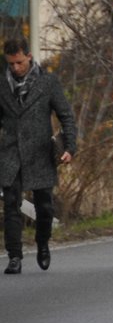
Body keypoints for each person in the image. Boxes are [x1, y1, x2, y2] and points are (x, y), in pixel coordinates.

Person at [1, 37, 76, 274]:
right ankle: (14, 257)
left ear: (29, 57)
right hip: (11, 153)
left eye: (19, 63)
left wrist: (70, 147)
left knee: (45, 207)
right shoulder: (2, 85)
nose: (15, 68)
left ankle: (43, 243)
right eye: (11, 64)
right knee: (11, 205)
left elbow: (66, 116)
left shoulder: (48, 83)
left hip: (40, 152)